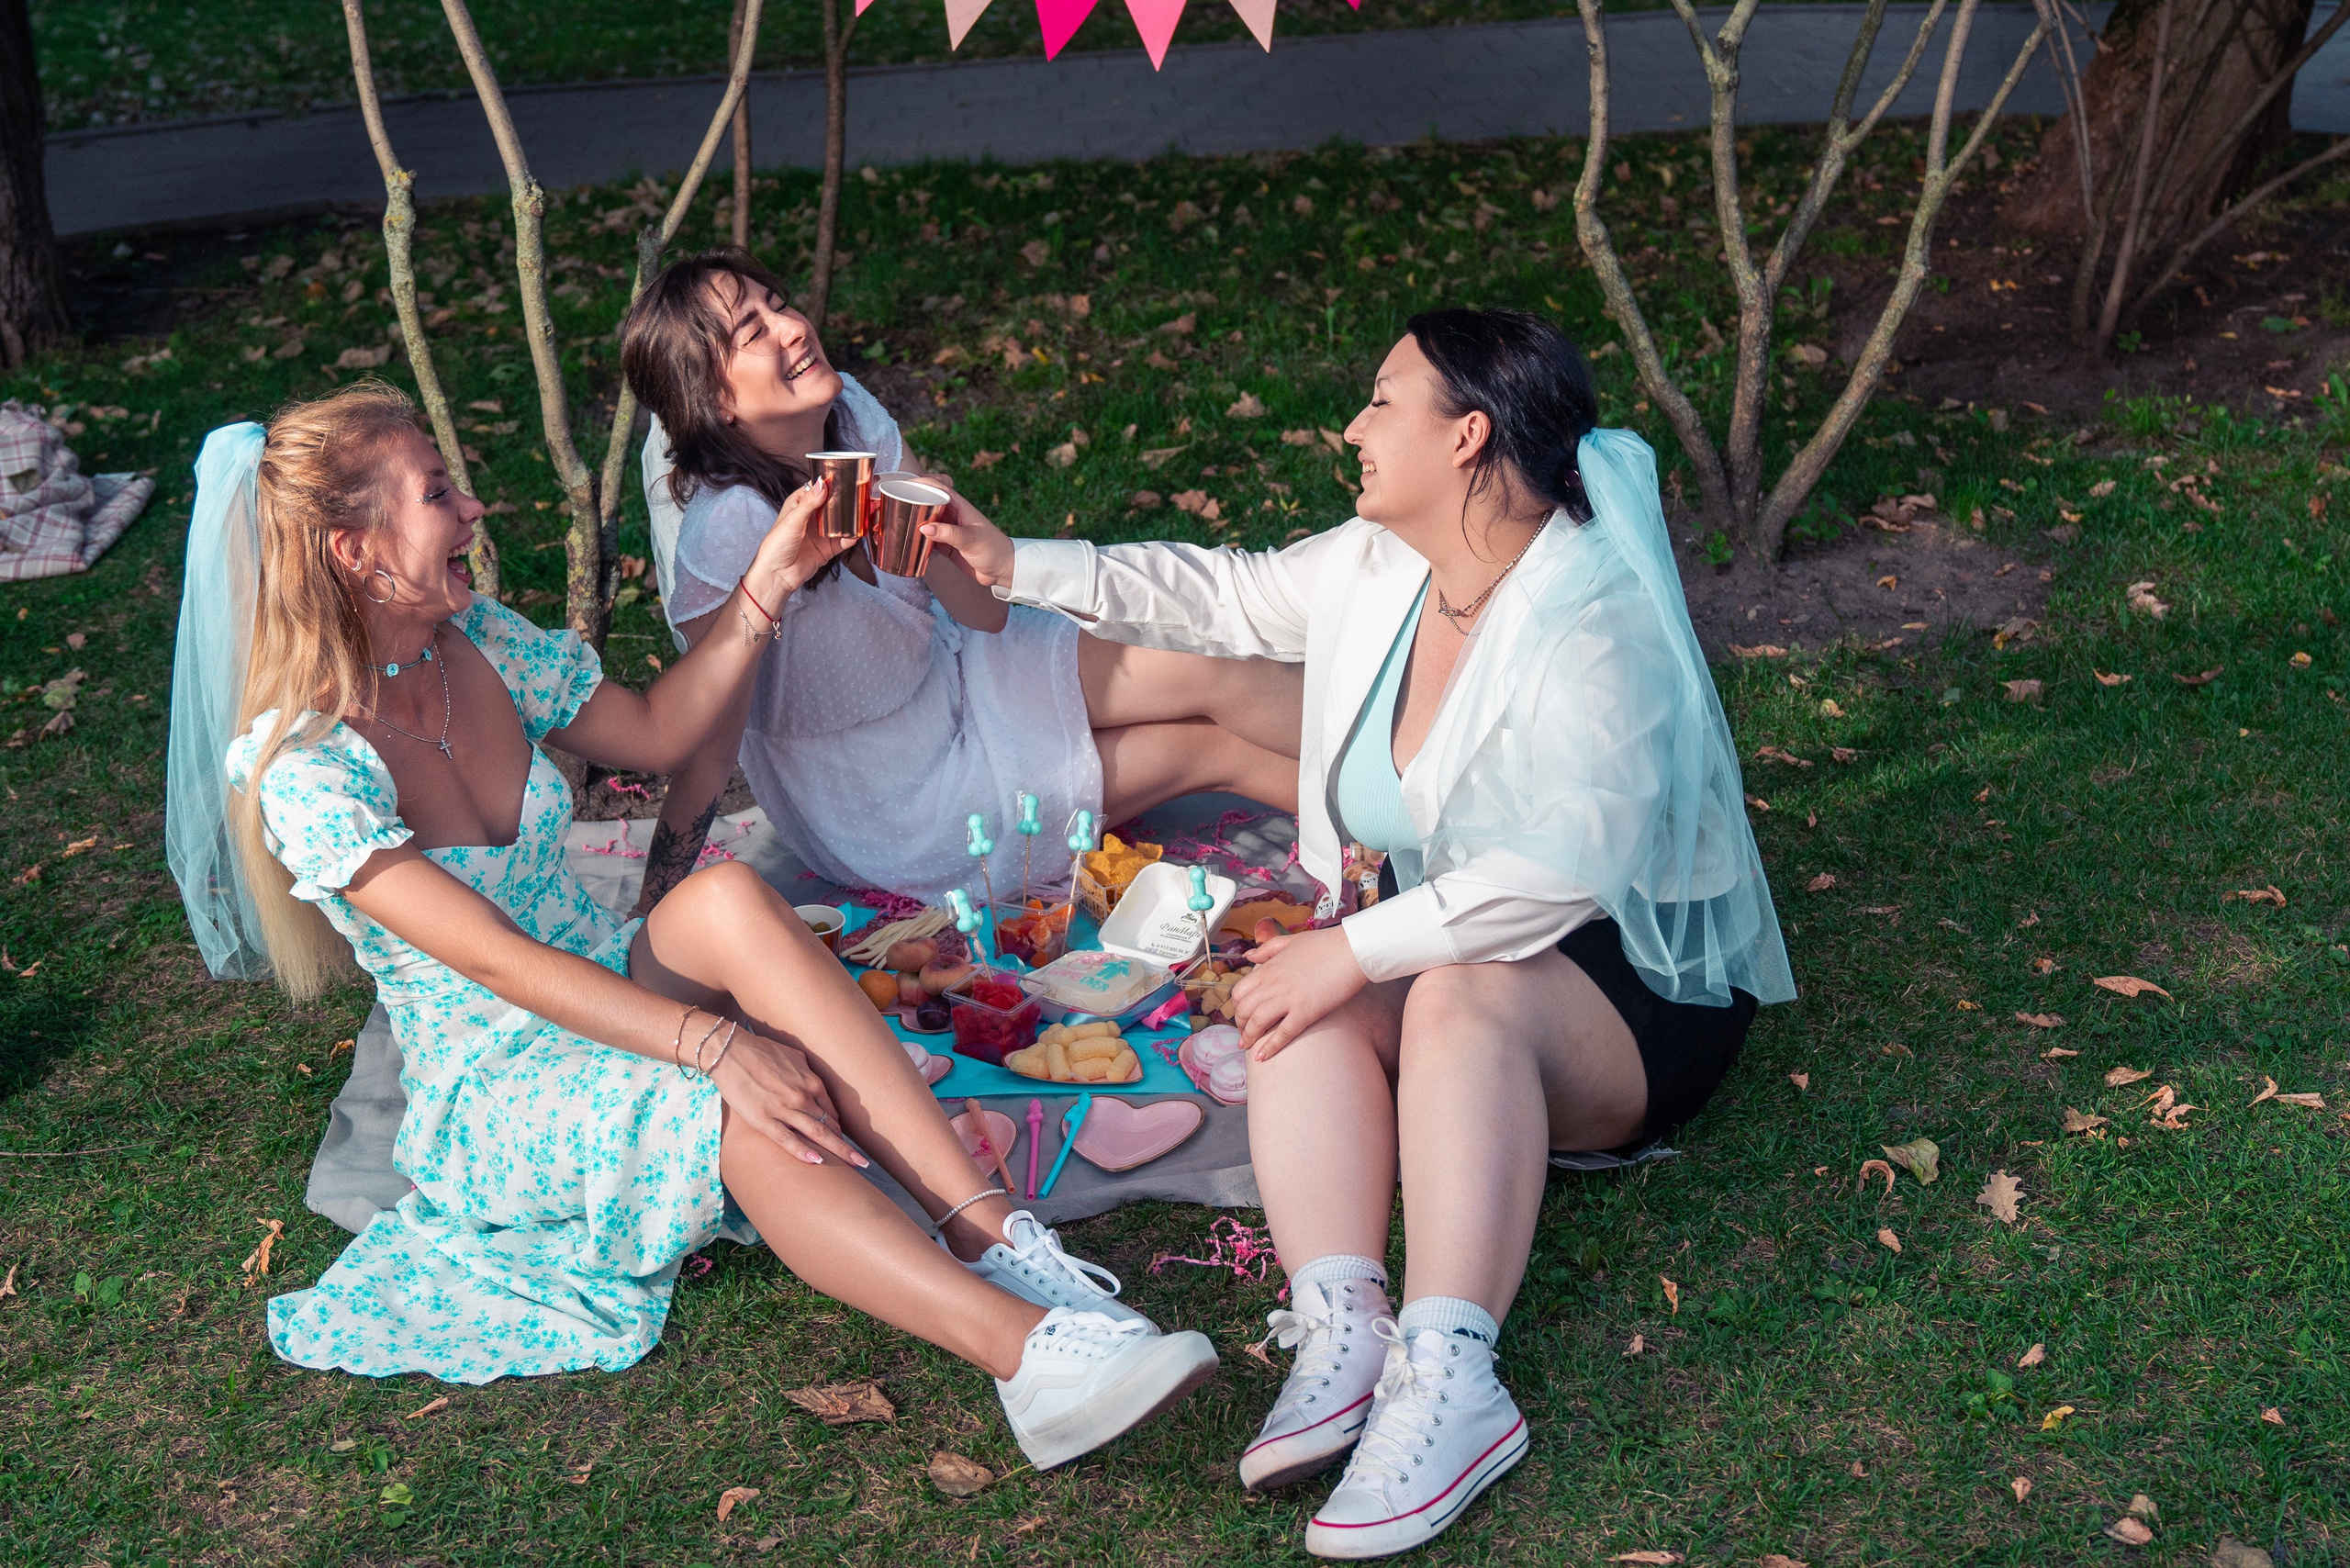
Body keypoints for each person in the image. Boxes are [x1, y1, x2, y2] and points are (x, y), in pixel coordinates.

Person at [161, 382, 1218, 1468]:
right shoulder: (302, 769)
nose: (475, 507)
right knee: (728, 1101)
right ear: (352, 549)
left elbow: (660, 731)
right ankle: (1031, 1361)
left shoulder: (476, 638)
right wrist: (718, 1044)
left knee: (720, 896)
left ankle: (995, 1239)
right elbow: (502, 962)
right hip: (501, 1075)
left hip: (606, 978)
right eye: (437, 493)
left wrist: (774, 572)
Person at [926, 309, 1796, 1558]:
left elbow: (1566, 868)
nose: (1352, 426)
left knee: (1441, 990)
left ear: (1469, 436)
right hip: (1465, 937)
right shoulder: (1385, 564)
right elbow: (1215, 593)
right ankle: (1344, 1331)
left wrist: (1361, 945)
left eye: (1384, 402)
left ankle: (1454, 1382)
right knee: (1295, 990)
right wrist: (1015, 565)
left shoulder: (1591, 618)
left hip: (1633, 975)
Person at [620, 247, 1304, 913]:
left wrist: (951, 544)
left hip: (961, 670)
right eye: (754, 331)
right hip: (898, 805)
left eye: (780, 305)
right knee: (1205, 746)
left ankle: (1396, 771)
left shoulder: (848, 413)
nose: (795, 327)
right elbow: (705, 750)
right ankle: (1397, 846)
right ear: (712, 398)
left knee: (1214, 661)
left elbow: (983, 615)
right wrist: (649, 919)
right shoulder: (731, 530)